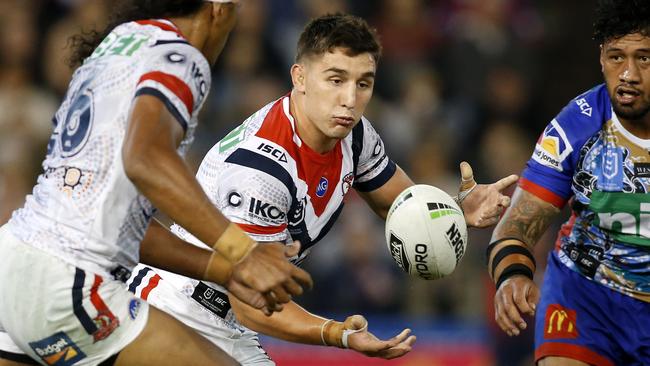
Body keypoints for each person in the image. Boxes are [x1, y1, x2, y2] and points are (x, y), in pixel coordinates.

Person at [127, 13, 519, 365]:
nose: (350, 99)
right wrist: (340, 335)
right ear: (299, 78)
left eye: (362, 83)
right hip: (177, 308)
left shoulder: (355, 134)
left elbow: (400, 204)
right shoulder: (260, 171)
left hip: (232, 321)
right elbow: (249, 298)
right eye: (335, 79)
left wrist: (453, 212)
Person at [0, 1, 313, 365]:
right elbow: (145, 159)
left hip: (15, 264)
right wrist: (243, 250)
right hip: (70, 281)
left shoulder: (120, 43)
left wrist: (227, 270)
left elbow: (123, 222)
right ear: (218, 10)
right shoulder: (180, 55)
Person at [487, 1, 650, 364]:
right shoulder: (576, 126)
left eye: (644, 58)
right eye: (616, 57)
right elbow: (514, 227)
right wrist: (512, 276)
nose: (629, 74)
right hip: (585, 300)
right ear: (601, 58)